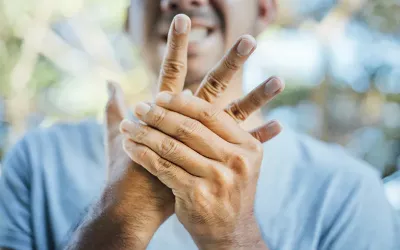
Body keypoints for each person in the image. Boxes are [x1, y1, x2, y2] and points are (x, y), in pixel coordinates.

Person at [0, 1, 399, 249]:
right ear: (128, 20)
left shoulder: (347, 192)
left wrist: (232, 238)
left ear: (264, 9)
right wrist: (123, 215)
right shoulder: (37, 162)